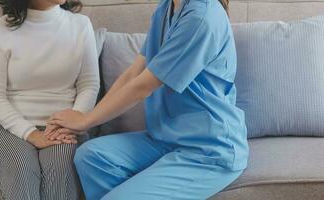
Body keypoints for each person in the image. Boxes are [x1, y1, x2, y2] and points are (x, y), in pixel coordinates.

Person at [46, 0, 249, 199]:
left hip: (209, 150)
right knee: (90, 157)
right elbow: (134, 73)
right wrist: (87, 120)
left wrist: (86, 121)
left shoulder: (200, 17)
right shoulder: (166, 7)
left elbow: (143, 87)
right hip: (167, 138)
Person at [0, 0, 100, 199]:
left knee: (61, 163)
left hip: (63, 129)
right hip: (3, 128)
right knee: (20, 163)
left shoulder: (81, 25)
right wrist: (31, 134)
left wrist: (71, 124)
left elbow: (89, 84)